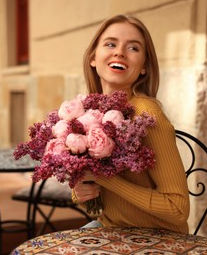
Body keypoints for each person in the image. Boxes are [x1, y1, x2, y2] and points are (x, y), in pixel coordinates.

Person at [72, 14, 190, 234]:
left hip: (160, 238)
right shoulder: (90, 113)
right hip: (111, 229)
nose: (119, 52)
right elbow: (98, 201)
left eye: (133, 48)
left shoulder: (146, 115)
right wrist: (81, 190)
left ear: (144, 66)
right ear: (93, 58)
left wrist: (105, 178)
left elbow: (178, 208)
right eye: (110, 44)